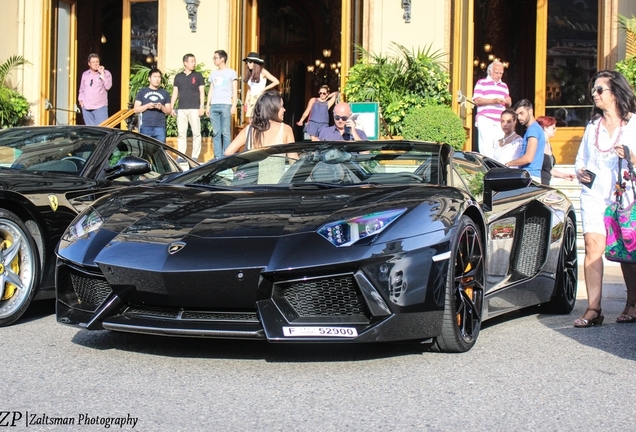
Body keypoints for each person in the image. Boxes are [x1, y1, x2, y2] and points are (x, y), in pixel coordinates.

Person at [574, 70, 636, 327]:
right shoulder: (592, 127)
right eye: (593, 91)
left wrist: (631, 157)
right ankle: (593, 308)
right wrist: (580, 172)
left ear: (615, 93)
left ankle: (632, 303)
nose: (595, 95)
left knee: (627, 251)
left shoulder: (633, 124)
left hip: (624, 197)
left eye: (600, 90)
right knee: (592, 247)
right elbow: (581, 159)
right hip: (594, 194)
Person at [225, 90, 294, 155]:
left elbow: (228, 152)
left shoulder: (250, 129)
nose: (284, 110)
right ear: (273, 108)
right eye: (282, 106)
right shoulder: (286, 129)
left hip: (252, 168)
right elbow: (293, 160)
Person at [472, 60, 512, 159]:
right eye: (496, 73)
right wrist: (494, 101)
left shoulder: (504, 86)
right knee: (486, 147)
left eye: (501, 73)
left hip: (500, 120)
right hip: (485, 118)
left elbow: (508, 104)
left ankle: (496, 168)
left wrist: (509, 101)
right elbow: (477, 100)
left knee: (500, 146)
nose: (499, 75)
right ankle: (487, 169)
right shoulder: (481, 83)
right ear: (490, 71)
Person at [170, 53, 205, 161]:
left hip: (194, 108)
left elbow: (202, 92)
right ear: (185, 63)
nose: (194, 63)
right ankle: (181, 156)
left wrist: (201, 106)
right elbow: (175, 92)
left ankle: (195, 156)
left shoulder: (198, 76)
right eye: (191, 61)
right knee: (181, 133)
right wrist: (171, 107)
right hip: (181, 108)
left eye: (194, 61)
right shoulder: (178, 77)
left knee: (196, 133)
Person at [205, 50, 238, 159]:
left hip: (226, 104)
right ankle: (217, 157)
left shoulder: (231, 72)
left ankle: (226, 156)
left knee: (226, 132)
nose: (214, 60)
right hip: (214, 105)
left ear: (222, 59)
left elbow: (234, 90)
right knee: (216, 133)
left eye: (216, 58)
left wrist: (234, 105)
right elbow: (211, 90)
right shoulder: (213, 74)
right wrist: (207, 105)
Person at [504, 99, 545, 182]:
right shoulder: (533, 129)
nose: (519, 117)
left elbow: (528, 158)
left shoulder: (533, 129)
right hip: (530, 176)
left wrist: (508, 164)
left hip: (530, 176)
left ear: (530, 111)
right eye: (517, 115)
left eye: (521, 113)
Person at [133, 68, 171, 143]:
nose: (157, 79)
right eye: (155, 77)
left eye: (159, 77)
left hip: (160, 126)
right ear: (149, 78)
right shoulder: (142, 92)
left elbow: (169, 111)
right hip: (146, 126)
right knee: (145, 150)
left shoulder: (164, 93)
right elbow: (136, 109)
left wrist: (161, 107)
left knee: (160, 150)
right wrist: (147, 106)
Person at [535, 115, 575, 185]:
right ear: (545, 128)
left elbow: (548, 168)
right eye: (553, 128)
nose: (556, 130)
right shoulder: (537, 145)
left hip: (546, 184)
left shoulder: (548, 145)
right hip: (538, 184)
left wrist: (563, 175)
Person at [242, 52, 280, 122]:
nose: (248, 64)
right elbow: (249, 89)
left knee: (259, 119)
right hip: (251, 99)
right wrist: (246, 102)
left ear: (255, 63)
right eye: (247, 62)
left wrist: (264, 89)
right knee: (250, 120)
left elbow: (276, 81)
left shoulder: (263, 71)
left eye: (250, 62)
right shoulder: (250, 73)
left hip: (259, 98)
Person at [78, 53, 112, 125]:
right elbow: (81, 89)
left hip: (100, 107)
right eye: (93, 62)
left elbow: (108, 86)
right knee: (91, 131)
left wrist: (102, 74)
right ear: (89, 64)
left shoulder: (106, 73)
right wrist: (81, 101)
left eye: (97, 62)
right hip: (86, 107)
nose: (96, 64)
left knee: (102, 130)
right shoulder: (85, 74)